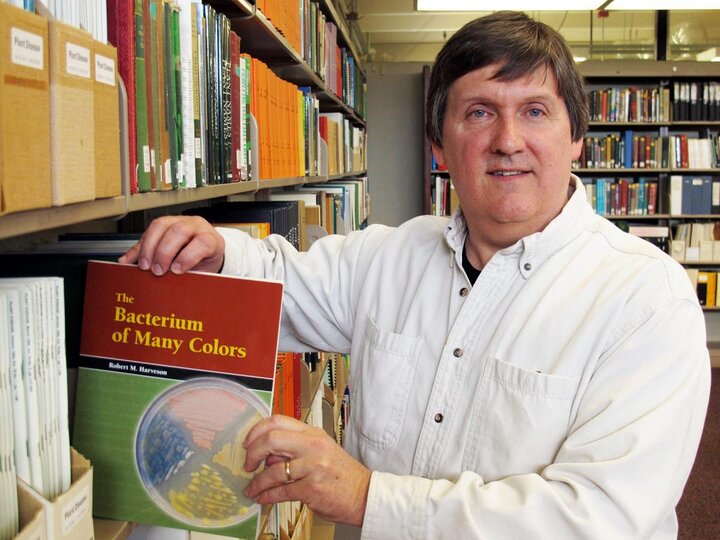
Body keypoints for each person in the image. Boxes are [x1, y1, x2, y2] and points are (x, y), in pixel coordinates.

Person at [120, 11, 711, 539]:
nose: (507, 141)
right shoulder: (391, 257)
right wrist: (215, 252)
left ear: (576, 138)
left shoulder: (646, 302)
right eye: (479, 112)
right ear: (439, 146)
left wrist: (365, 496)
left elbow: (597, 521)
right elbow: (281, 281)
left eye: (535, 111)